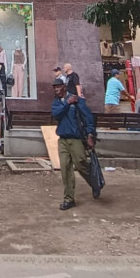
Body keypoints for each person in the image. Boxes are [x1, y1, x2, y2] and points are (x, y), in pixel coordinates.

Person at [51, 79, 96, 211]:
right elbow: (56, 114)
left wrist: (90, 135)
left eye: (58, 87)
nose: (56, 90)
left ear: (64, 87)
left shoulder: (77, 100)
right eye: (54, 87)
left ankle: (94, 182)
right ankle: (69, 199)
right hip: (63, 139)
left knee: (81, 164)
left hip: (76, 138)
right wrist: (67, 103)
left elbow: (88, 117)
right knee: (65, 168)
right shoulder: (56, 102)